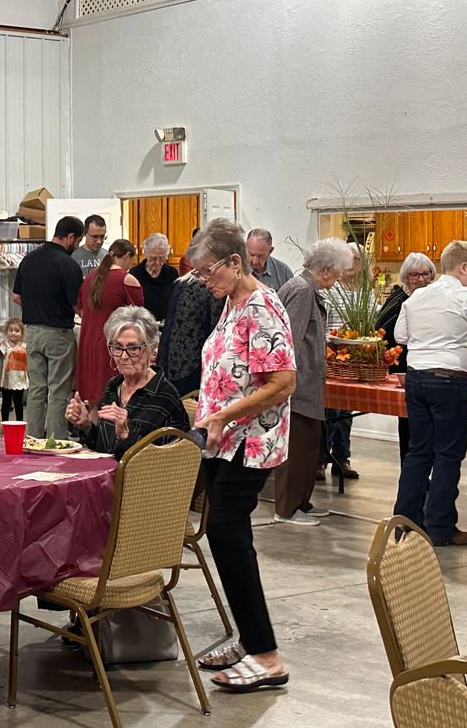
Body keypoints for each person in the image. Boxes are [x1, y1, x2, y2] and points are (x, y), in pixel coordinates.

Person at [187, 219, 296, 693]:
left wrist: (224, 415)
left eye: (207, 271)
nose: (203, 281)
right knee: (226, 536)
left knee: (229, 537)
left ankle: (266, 655)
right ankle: (250, 640)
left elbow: (283, 382)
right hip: (223, 441)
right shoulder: (232, 303)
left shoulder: (262, 307)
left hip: (248, 443)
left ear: (235, 262)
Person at [393, 240, 467, 547]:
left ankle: (404, 522)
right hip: (450, 380)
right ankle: (440, 527)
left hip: (416, 378)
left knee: (418, 452)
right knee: (447, 455)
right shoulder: (465, 297)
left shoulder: (418, 296)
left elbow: (400, 335)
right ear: (463, 268)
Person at [272, 238, 353, 526]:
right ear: (327, 269)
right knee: (297, 449)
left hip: (307, 385)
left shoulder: (305, 288)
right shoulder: (303, 290)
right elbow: (289, 341)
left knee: (308, 447)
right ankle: (287, 508)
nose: (339, 277)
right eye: (339, 271)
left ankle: (301, 503)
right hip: (298, 387)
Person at [66, 306, 188, 459]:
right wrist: (86, 425)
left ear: (151, 350)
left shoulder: (165, 396)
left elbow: (175, 462)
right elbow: (104, 450)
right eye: (117, 348)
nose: (123, 357)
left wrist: (127, 435)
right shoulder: (113, 387)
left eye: (133, 348)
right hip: (107, 472)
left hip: (141, 475)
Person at [13, 216, 84, 440]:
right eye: (78, 241)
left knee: (36, 389)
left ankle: (33, 439)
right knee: (58, 390)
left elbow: (16, 296)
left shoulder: (29, 259)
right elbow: (76, 304)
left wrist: (36, 307)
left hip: (32, 332)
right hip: (58, 334)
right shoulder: (69, 265)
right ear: (70, 237)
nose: (77, 246)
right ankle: (55, 440)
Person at [375, 252, 437, 461]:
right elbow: (382, 330)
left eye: (426, 274)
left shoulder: (432, 298)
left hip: (428, 366)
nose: (421, 279)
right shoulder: (398, 299)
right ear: (406, 277)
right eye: (415, 275)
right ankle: (410, 467)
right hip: (404, 368)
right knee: (410, 423)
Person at [75, 240, 144, 402]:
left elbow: (80, 308)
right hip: (113, 346)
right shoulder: (127, 279)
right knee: (113, 399)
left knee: (93, 400)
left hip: (88, 343)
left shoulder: (90, 277)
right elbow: (139, 317)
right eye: (132, 261)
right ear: (127, 256)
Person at [322, 242, 362, 480]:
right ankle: (321, 460)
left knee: (346, 412)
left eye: (355, 260)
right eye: (346, 259)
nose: (350, 265)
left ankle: (342, 458)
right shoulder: (330, 290)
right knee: (329, 411)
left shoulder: (362, 292)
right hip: (331, 355)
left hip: (353, 358)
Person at [158, 276, 225, 397]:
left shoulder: (183, 281)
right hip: (191, 365)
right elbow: (217, 331)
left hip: (170, 360)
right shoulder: (213, 287)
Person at [129, 232, 178, 324]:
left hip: (166, 325)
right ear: (145, 253)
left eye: (162, 258)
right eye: (153, 258)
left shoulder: (172, 273)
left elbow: (175, 302)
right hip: (142, 326)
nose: (158, 263)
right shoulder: (134, 274)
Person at [0, 317, 29, 421]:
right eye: (10, 330)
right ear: (6, 331)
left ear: (22, 333)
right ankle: (4, 423)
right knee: (6, 402)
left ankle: (20, 423)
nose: (13, 333)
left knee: (18, 403)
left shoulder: (24, 346)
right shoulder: (5, 345)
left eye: (17, 331)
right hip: (7, 379)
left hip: (19, 379)